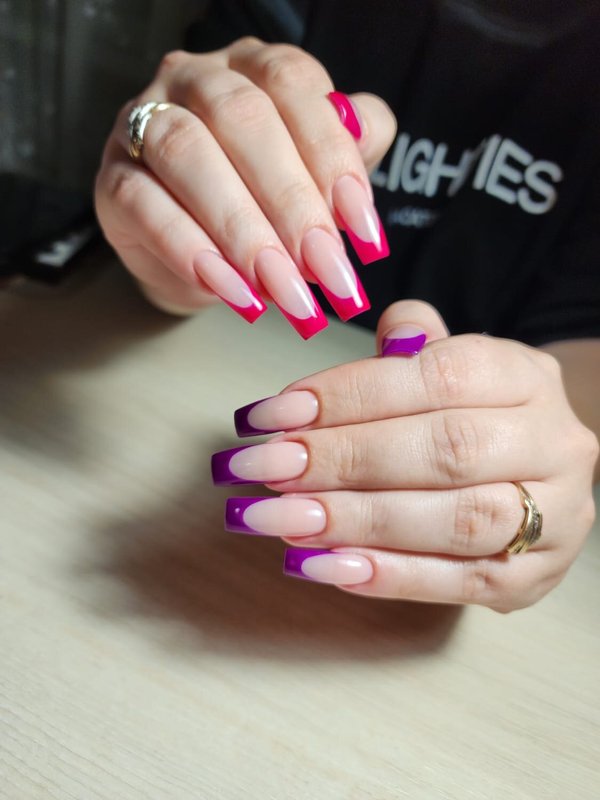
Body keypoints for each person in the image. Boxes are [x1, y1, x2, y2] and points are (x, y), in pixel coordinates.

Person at [94, 1, 600, 612]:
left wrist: (532, 457)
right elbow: (180, 188)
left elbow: (581, 373)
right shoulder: (294, 12)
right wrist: (168, 228)